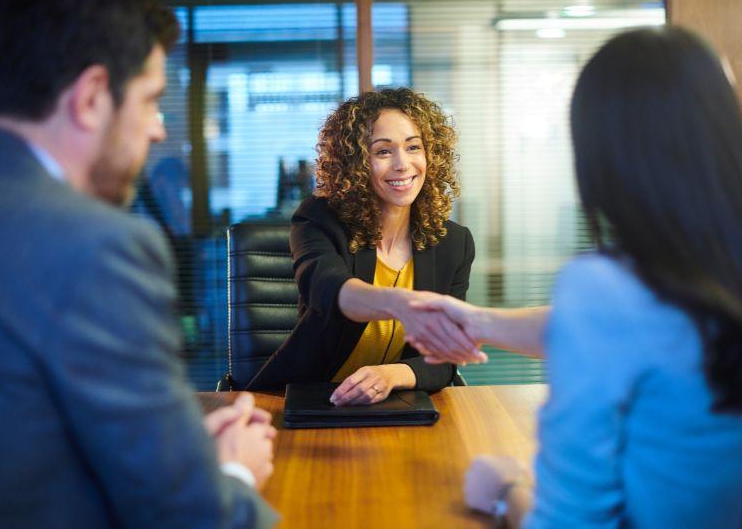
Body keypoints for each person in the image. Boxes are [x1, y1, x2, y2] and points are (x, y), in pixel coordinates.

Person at [0, 0, 277, 527]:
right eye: (150, 101)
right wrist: (233, 472)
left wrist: (173, 435)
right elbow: (193, 518)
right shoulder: (97, 246)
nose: (159, 128)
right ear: (93, 97)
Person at [411, 27, 742, 527]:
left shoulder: (605, 290)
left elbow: (570, 522)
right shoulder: (701, 274)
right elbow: (641, 329)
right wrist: (478, 321)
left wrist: (505, 492)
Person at [248, 88, 485, 405]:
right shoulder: (317, 220)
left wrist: (391, 375)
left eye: (414, 147)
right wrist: (401, 304)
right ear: (356, 163)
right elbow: (330, 291)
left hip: (394, 403)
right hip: (308, 398)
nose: (403, 164)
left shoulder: (453, 243)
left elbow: (443, 360)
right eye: (383, 152)